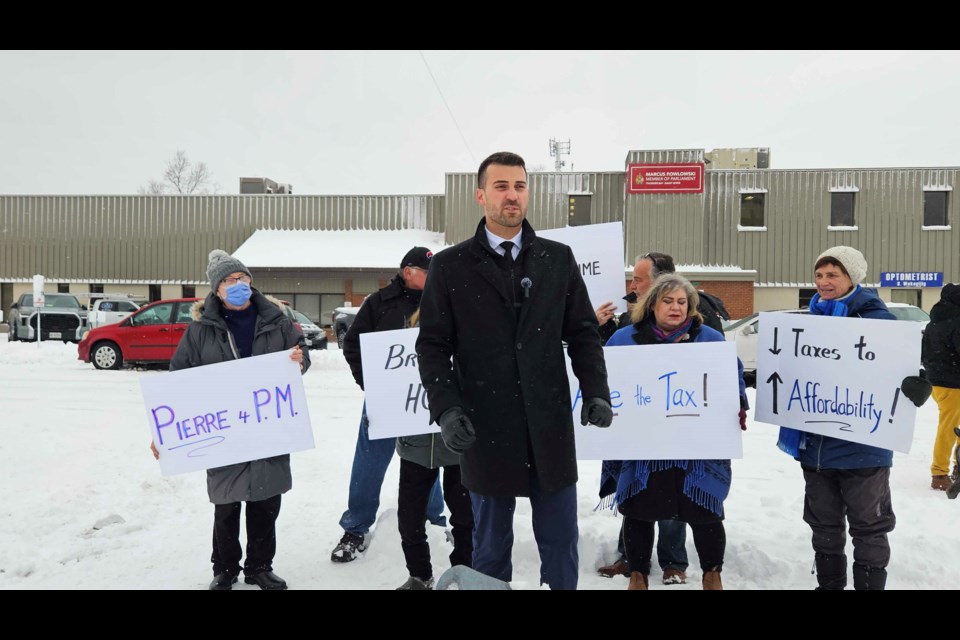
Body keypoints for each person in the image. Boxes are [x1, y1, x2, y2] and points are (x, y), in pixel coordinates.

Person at [417, 151, 612, 590]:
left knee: (561, 542)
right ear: (481, 195)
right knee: (489, 546)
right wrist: (447, 409)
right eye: (502, 186)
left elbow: (582, 332)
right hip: (484, 426)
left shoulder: (558, 259)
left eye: (520, 186)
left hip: (549, 425)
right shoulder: (450, 267)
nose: (512, 196)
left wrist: (596, 389)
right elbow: (431, 346)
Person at [151, 249, 310, 590]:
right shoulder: (200, 331)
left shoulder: (278, 320)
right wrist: (164, 433)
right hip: (223, 432)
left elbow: (299, 354)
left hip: (268, 427)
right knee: (226, 504)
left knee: (266, 502)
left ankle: (260, 567)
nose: (237, 285)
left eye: (242, 278)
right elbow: (178, 378)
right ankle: (224, 568)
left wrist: (300, 358)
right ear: (216, 290)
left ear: (251, 282)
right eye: (228, 280)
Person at [777, 245, 930, 590]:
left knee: (869, 527)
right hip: (816, 448)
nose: (823, 282)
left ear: (852, 278)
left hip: (865, 449)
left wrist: (917, 384)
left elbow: (905, 369)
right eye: (819, 275)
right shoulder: (809, 322)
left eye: (833, 274)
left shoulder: (878, 321)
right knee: (825, 528)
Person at [596, 251, 732, 583]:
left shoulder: (710, 340)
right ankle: (638, 574)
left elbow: (733, 381)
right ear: (653, 304)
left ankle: (711, 575)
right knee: (640, 508)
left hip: (695, 448)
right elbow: (602, 376)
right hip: (645, 447)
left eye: (682, 302)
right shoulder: (625, 339)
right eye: (668, 300)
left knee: (704, 510)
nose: (675, 307)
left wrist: (737, 404)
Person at [331, 247, 446, 563]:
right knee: (369, 463)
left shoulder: (442, 300)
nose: (434, 276)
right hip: (384, 403)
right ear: (408, 271)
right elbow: (353, 345)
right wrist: (372, 385)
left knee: (430, 459)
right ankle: (355, 527)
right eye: (427, 270)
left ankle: (435, 521)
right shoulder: (378, 303)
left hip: (428, 401)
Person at [394, 309, 475, 590]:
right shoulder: (403, 353)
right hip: (415, 447)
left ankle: (464, 572)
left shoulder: (466, 346)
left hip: (458, 446)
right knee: (409, 517)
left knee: (465, 515)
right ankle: (419, 575)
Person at [921, 283, 960, 490]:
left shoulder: (933, 323)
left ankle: (956, 466)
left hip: (937, 382)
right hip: (954, 384)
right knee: (949, 429)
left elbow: (924, 354)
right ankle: (940, 473)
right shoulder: (957, 322)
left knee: (951, 427)